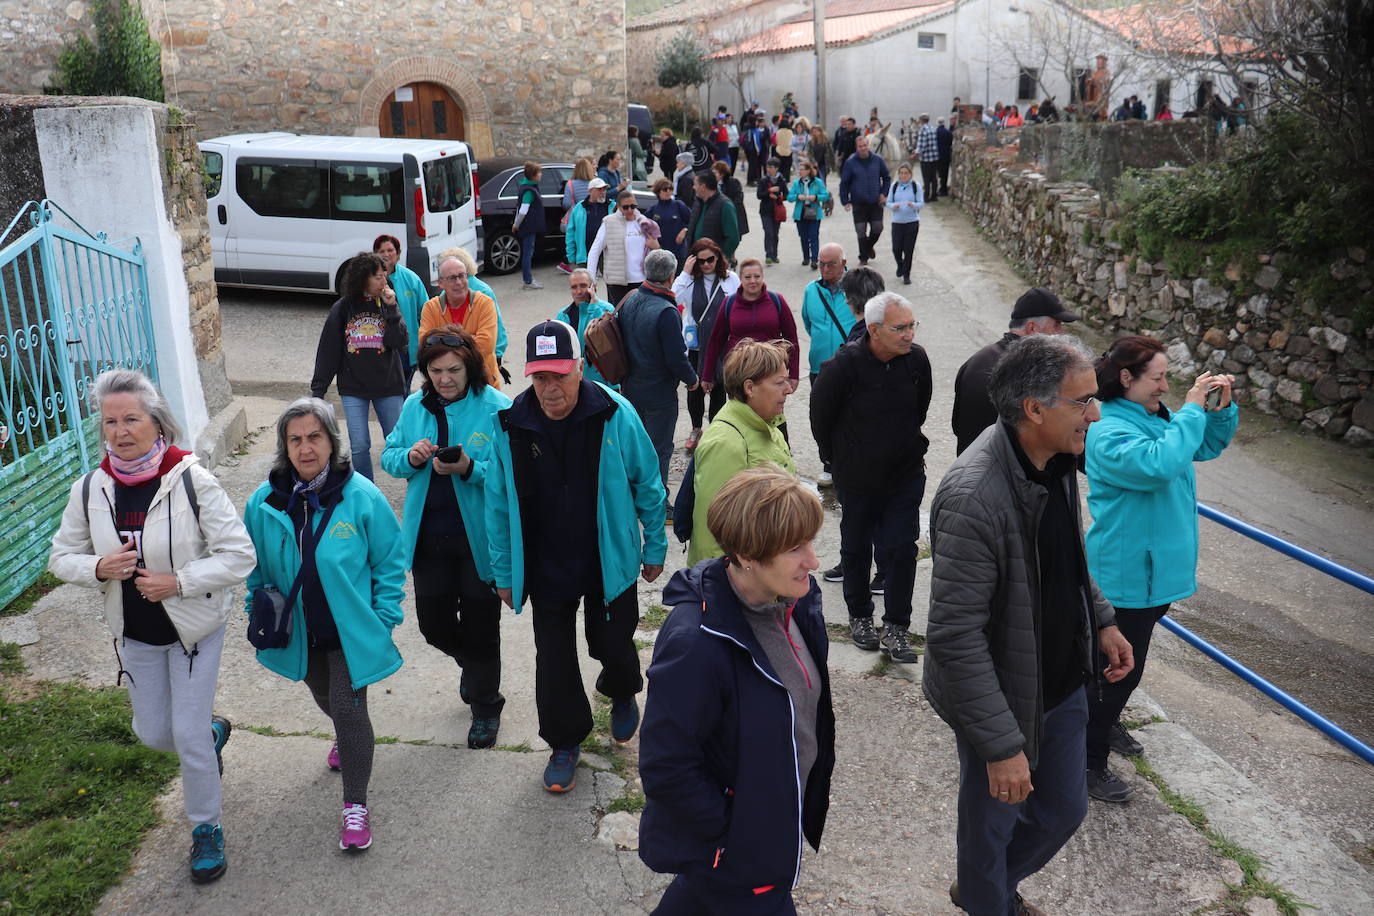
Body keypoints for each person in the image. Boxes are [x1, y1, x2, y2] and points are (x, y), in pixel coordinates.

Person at [922, 334, 1134, 916]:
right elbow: (955, 636)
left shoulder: (1057, 458)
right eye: (1083, 400)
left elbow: (1068, 558)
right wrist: (1000, 746)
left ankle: (983, 891)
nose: (1096, 413)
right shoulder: (973, 495)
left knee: (1065, 809)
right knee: (990, 828)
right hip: (1002, 694)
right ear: (1034, 409)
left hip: (1062, 679)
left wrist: (1104, 621)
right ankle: (990, 901)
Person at [48, 369, 256, 884]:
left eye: (131, 419)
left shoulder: (190, 479)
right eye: (111, 421)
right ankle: (211, 735)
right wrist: (97, 567)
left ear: (156, 421)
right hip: (135, 633)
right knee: (154, 733)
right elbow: (60, 557)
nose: (120, 431)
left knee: (183, 735)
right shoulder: (91, 488)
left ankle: (206, 827)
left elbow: (239, 556)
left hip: (193, 630)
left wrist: (178, 582)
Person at [640, 466, 833, 915]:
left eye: (811, 543)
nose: (813, 561)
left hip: (771, 835)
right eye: (795, 548)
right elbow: (667, 764)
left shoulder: (794, 601)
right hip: (739, 856)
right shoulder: (696, 642)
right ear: (747, 554)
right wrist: (733, 835)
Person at [485, 320, 667, 793]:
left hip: (607, 558)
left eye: (559, 376)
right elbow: (498, 505)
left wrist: (654, 545)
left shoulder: (613, 412)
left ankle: (623, 688)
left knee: (612, 642)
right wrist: (504, 573)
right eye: (540, 377)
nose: (550, 388)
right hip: (545, 565)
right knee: (555, 659)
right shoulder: (509, 424)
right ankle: (565, 742)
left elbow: (647, 482)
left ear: (581, 369)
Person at [243, 397, 407, 852]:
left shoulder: (362, 497)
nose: (305, 447)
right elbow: (254, 568)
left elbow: (390, 562)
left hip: (349, 633)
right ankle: (345, 736)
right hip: (300, 633)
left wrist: (383, 618)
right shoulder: (263, 503)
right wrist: (254, 608)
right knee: (324, 695)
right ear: (284, 446)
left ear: (331, 442)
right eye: (294, 439)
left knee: (351, 712)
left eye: (314, 436)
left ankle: (355, 805)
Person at [1082, 336, 1238, 802]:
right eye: (1158, 378)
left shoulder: (1151, 416)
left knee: (1125, 668)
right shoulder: (1109, 429)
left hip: (1154, 574)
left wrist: (1217, 410)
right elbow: (1160, 465)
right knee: (1117, 669)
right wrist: (1191, 409)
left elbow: (1202, 447)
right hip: (1127, 576)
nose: (1166, 387)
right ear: (1126, 378)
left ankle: (1103, 730)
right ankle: (1088, 764)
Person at [381, 326, 512, 750]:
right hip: (428, 540)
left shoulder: (497, 407)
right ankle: (472, 668)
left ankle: (486, 706)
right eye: (435, 370)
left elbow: (513, 480)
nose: (444, 379)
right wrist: (411, 457)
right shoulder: (415, 405)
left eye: (453, 369)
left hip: (480, 543)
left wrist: (471, 469)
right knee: (433, 626)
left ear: (469, 367)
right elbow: (390, 457)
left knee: (481, 626)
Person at [810, 292, 930, 664]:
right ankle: (860, 616)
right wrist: (838, 461)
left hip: (904, 476)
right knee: (857, 547)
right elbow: (820, 417)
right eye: (901, 327)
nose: (909, 334)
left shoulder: (916, 361)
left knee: (900, 549)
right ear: (874, 330)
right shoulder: (843, 366)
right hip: (858, 478)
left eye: (912, 325)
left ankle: (897, 626)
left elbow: (920, 409)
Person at [685, 340, 796, 564]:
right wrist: (722, 587)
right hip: (743, 584)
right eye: (780, 382)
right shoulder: (726, 443)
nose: (789, 389)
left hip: (768, 568)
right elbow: (713, 532)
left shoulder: (766, 425)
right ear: (750, 388)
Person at [310, 252, 408, 481]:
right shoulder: (342, 308)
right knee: (359, 445)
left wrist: (392, 309)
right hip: (354, 387)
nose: (384, 281)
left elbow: (400, 342)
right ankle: (367, 491)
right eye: (377, 277)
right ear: (363, 279)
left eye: (385, 275)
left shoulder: (388, 304)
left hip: (388, 385)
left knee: (398, 441)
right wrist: (319, 390)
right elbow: (328, 350)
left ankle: (414, 485)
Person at [951, 287, 1080, 454]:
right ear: (1033, 328)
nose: (1061, 333)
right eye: (1056, 325)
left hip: (969, 467)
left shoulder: (976, 361)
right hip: (1005, 474)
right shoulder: (1032, 373)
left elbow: (958, 425)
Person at [617, 248, 700, 492]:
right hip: (658, 394)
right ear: (670, 277)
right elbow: (676, 359)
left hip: (631, 387)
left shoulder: (630, 299)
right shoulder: (666, 311)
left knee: (636, 447)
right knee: (659, 449)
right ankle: (658, 503)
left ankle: (635, 495)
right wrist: (692, 380)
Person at [700, 259, 800, 417]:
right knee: (742, 418)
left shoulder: (777, 301)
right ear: (740, 278)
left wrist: (793, 374)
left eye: (757, 276)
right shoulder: (729, 303)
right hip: (739, 372)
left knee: (773, 418)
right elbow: (716, 341)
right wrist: (707, 375)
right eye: (748, 277)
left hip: (771, 371)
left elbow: (792, 339)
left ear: (763, 276)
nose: (753, 281)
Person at [673, 239, 740, 447]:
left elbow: (739, 306)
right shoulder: (691, 280)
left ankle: (716, 429)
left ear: (718, 258)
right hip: (696, 345)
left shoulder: (731, 279)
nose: (706, 265)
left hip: (721, 345)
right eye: (701, 261)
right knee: (694, 389)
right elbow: (672, 297)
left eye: (710, 259)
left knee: (719, 388)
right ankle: (695, 429)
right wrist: (685, 272)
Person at [419, 256, 503, 390]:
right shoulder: (431, 308)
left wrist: (443, 343)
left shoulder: (485, 303)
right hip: (446, 385)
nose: (458, 282)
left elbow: (486, 344)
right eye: (452, 278)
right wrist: (470, 339)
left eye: (462, 276)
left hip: (483, 383)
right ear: (440, 283)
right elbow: (425, 345)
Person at [438, 246, 511, 385]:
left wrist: (450, 341)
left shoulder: (483, 293)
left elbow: (491, 334)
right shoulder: (483, 289)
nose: (457, 282)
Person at [587, 190, 663, 304]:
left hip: (642, 280)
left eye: (633, 206)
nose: (630, 210)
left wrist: (656, 247)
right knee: (618, 318)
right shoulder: (609, 222)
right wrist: (591, 278)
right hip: (617, 282)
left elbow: (657, 250)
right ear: (618, 206)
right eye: (626, 207)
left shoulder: (644, 222)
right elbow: (594, 251)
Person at [372, 234, 428, 383]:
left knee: (403, 391)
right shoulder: (368, 280)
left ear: (398, 253)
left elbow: (425, 313)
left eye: (390, 250)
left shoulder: (411, 279)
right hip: (376, 347)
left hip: (405, 348)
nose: (386, 254)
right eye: (381, 251)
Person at [556, 268, 617, 387]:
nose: (579, 291)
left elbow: (606, 343)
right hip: (575, 381)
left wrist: (593, 307)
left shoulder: (606, 310)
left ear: (592, 287)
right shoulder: (563, 315)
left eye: (583, 286)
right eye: (574, 287)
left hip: (602, 382)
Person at [838, 135, 890, 266]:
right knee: (860, 230)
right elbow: (844, 183)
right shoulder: (850, 163)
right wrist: (845, 200)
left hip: (875, 201)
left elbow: (887, 178)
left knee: (878, 228)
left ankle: (868, 246)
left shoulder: (878, 160)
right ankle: (863, 257)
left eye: (865, 145)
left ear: (869, 146)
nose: (863, 148)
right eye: (860, 146)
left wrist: (884, 193)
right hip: (858, 202)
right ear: (857, 148)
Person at [688, 170, 741, 263]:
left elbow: (733, 238)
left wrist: (720, 258)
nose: (693, 187)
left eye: (695, 184)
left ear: (703, 187)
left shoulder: (725, 205)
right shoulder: (698, 202)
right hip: (696, 260)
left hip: (713, 263)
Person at [787, 159, 830, 269]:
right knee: (803, 236)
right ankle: (806, 257)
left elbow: (825, 195)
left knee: (814, 236)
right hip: (800, 212)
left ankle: (814, 259)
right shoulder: (797, 183)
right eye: (799, 169)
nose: (800, 172)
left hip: (813, 211)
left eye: (802, 169)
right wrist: (797, 196)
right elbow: (789, 197)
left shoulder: (817, 182)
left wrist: (815, 197)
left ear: (808, 171)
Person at [511, 161, 546, 290]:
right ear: (533, 175)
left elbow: (519, 207)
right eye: (539, 173)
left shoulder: (527, 187)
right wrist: (516, 224)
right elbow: (523, 210)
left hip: (527, 225)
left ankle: (528, 279)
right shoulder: (529, 191)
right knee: (527, 253)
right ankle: (528, 280)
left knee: (527, 252)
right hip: (528, 226)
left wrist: (516, 223)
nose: (541, 175)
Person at [886, 163, 924, 285]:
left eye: (906, 173)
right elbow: (888, 202)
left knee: (908, 250)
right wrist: (894, 206)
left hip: (912, 222)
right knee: (896, 248)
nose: (903, 175)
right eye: (901, 173)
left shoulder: (915, 186)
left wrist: (913, 205)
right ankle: (900, 265)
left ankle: (906, 275)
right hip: (897, 222)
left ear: (910, 174)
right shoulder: (894, 186)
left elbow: (921, 203)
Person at [564, 177, 611, 270]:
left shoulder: (611, 206)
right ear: (590, 191)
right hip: (585, 253)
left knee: (611, 283)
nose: (602, 192)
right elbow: (570, 232)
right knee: (586, 282)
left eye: (604, 189)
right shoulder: (579, 208)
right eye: (599, 189)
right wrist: (571, 255)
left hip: (607, 254)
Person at [647, 176, 694, 267]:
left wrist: (685, 230)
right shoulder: (653, 210)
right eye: (665, 189)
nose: (668, 191)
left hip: (678, 253)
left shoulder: (679, 205)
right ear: (658, 191)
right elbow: (644, 227)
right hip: (660, 254)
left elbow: (692, 221)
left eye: (670, 188)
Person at [756, 158, 788, 265]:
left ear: (777, 169)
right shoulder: (763, 180)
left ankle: (775, 255)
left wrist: (778, 196)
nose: (768, 169)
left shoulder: (781, 180)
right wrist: (769, 191)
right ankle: (768, 255)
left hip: (777, 210)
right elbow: (759, 195)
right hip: (765, 211)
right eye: (767, 167)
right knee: (768, 232)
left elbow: (786, 195)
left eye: (771, 167)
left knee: (775, 233)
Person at [712, 159, 750, 241]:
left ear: (722, 174)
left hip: (732, 218)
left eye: (715, 173)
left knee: (730, 246)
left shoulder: (733, 182)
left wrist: (726, 207)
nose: (713, 175)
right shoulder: (711, 184)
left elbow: (739, 199)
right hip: (717, 220)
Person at [915, 113, 941, 203]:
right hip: (934, 157)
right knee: (934, 178)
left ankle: (926, 197)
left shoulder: (922, 130)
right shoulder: (933, 128)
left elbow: (921, 145)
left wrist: (915, 154)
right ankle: (934, 196)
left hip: (926, 159)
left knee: (926, 178)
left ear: (921, 120)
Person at [936, 117, 954, 199]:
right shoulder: (948, 132)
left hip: (937, 155)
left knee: (938, 173)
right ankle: (943, 189)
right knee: (945, 174)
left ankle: (938, 189)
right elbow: (951, 143)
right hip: (946, 155)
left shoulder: (936, 132)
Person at [772, 118, 794, 182]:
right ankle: (786, 180)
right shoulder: (790, 132)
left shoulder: (778, 132)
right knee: (787, 168)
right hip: (788, 152)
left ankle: (780, 180)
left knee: (780, 168)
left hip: (779, 151)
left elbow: (775, 141)